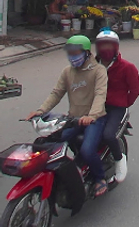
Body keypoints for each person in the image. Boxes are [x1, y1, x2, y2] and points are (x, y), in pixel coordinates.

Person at [26, 35, 108, 196]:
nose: (72, 57)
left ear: (86, 53)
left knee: (87, 150)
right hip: (73, 119)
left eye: (76, 53)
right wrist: (40, 111)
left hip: (94, 120)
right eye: (70, 53)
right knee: (53, 142)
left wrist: (92, 115)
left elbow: (100, 95)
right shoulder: (67, 72)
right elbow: (56, 94)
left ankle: (100, 178)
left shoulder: (99, 71)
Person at [95, 29, 139, 183]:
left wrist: (123, 103)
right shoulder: (92, 66)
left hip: (117, 108)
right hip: (95, 107)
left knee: (108, 135)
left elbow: (134, 90)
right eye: (102, 45)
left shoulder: (127, 67)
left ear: (116, 47)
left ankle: (120, 161)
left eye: (109, 45)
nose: (105, 49)